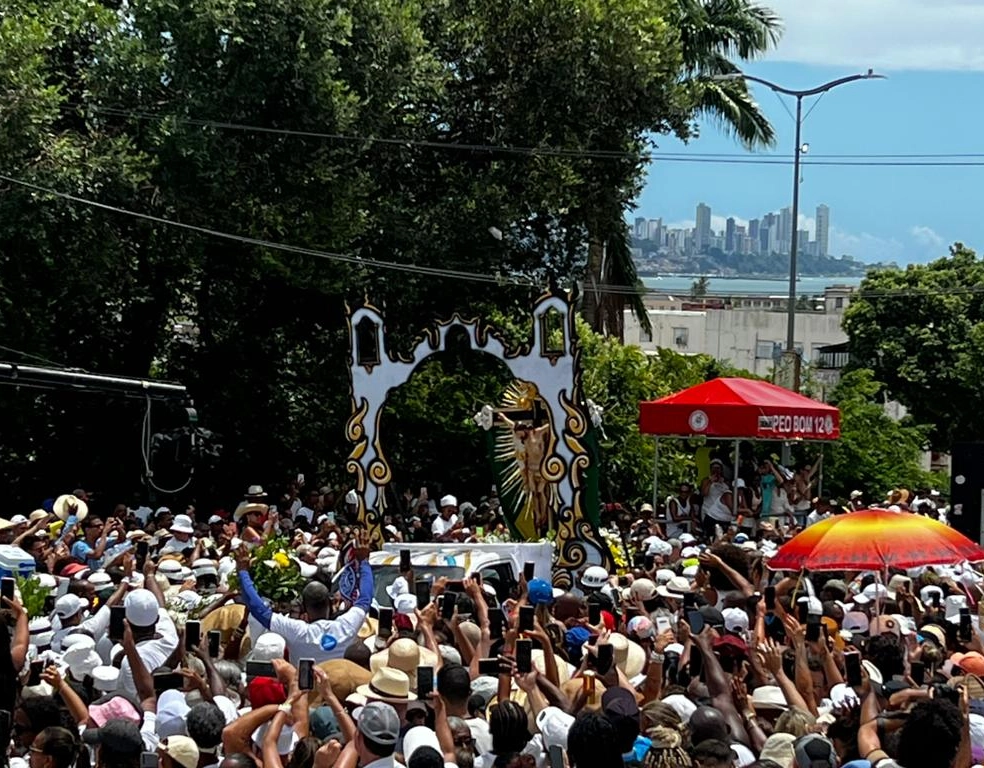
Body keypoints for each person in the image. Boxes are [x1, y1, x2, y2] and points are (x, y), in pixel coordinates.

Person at [236, 532, 373, 662]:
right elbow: (365, 599)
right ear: (331, 603)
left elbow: (258, 609)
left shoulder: (297, 632)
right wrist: (364, 561)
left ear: (303, 609)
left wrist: (243, 571)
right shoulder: (346, 626)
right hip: (337, 686)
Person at [700, 460, 733, 538]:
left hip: (721, 512)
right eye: (713, 468)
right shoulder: (706, 480)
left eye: (718, 468)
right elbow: (704, 493)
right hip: (708, 510)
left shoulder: (726, 481)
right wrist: (710, 481)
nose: (716, 470)